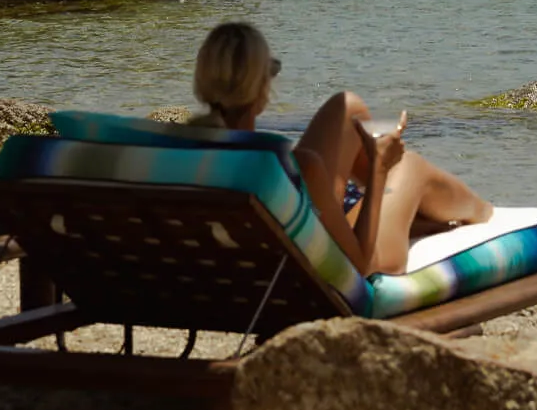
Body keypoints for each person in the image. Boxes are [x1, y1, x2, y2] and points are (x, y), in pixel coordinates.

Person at [190, 21, 492, 276]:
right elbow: (359, 265)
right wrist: (378, 169)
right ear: (261, 90)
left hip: (262, 260)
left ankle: (407, 213)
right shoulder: (294, 166)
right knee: (409, 167)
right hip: (334, 264)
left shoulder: (184, 152)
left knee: (347, 107)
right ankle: (486, 215)